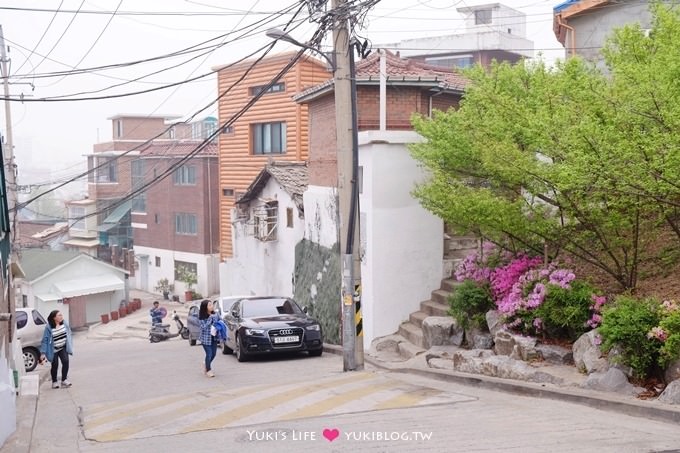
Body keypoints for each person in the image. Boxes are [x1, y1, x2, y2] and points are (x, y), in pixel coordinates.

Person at [40, 310, 73, 389]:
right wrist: (43, 352)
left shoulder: (65, 323)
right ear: (54, 318)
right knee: (55, 365)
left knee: (66, 361)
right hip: (53, 349)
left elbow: (69, 333)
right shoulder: (48, 327)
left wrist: (69, 344)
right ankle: (54, 382)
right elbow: (45, 340)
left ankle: (64, 380)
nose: (61, 317)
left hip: (62, 347)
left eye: (61, 315)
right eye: (59, 315)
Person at [198, 299, 220, 378]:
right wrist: (210, 319)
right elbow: (203, 327)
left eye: (212, 305)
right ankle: (208, 370)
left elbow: (220, 321)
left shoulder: (215, 314)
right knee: (209, 353)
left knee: (213, 354)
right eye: (210, 305)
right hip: (205, 338)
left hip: (214, 337)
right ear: (205, 307)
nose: (212, 306)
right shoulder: (201, 317)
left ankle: (206, 364)